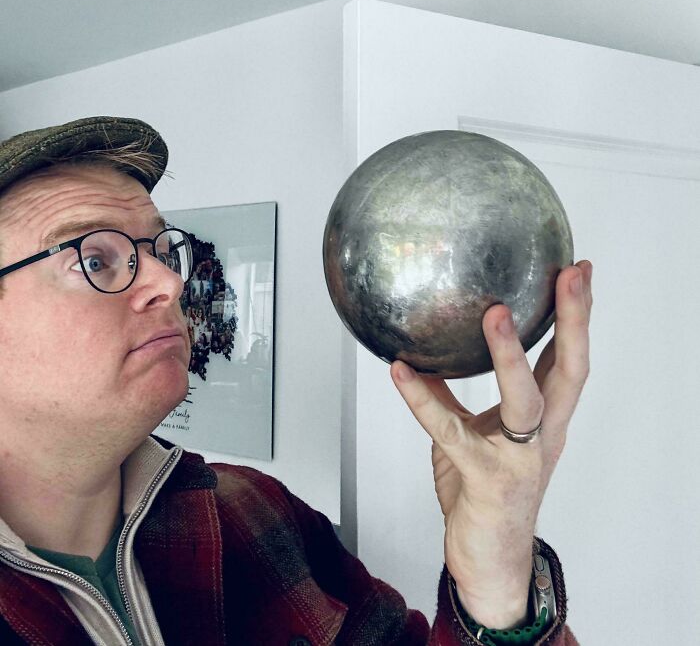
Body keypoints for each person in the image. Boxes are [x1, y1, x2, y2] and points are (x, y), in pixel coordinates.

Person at [0, 116, 591, 645]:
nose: (170, 283)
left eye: (159, 251)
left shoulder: (257, 514)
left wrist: (498, 585)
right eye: (95, 259)